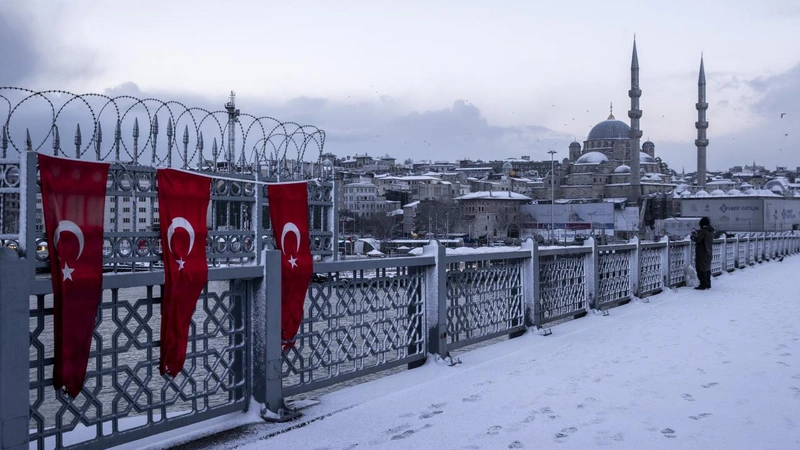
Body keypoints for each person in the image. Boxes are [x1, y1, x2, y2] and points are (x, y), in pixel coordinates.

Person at [690, 217, 714, 290]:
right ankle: (707, 283)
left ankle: (703, 284)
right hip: (708, 253)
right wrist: (700, 232)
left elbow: (698, 239)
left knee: (701, 269)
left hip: (702, 253)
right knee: (707, 269)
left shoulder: (704, 231)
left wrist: (693, 236)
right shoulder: (710, 231)